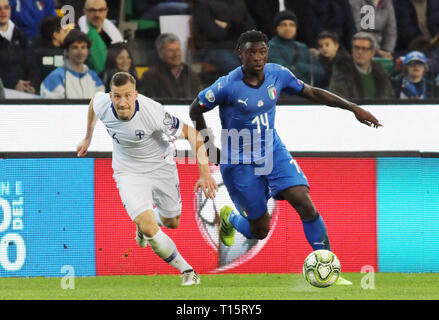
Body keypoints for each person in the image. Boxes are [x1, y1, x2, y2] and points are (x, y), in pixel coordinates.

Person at [189, 30, 382, 285]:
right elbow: (195, 109)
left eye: (262, 52)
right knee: (260, 230)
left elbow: (312, 92)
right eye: (251, 52)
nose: (257, 57)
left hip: (272, 150)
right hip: (239, 164)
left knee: (304, 201)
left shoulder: (277, 74)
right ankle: (228, 217)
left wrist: (352, 108)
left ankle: (328, 268)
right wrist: (209, 145)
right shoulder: (226, 86)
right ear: (240, 54)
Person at [77, 71, 218, 285]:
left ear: (135, 94)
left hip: (160, 167)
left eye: (127, 96)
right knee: (150, 229)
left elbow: (194, 134)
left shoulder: (153, 112)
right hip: (128, 172)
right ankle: (187, 271)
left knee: (172, 222)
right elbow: (93, 104)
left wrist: (205, 173)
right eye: (116, 96)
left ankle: (145, 223)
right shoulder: (102, 102)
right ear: (111, 95)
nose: (122, 102)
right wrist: (88, 136)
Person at [40, 29, 105, 99]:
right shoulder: (56, 76)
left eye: (83, 47)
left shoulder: (93, 77)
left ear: (88, 51)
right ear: (67, 51)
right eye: (75, 47)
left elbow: (100, 103)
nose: (80, 52)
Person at [329, 32, 395, 99]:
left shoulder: (380, 71)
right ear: (352, 50)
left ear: (372, 53)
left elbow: (390, 97)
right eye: (356, 48)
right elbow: (338, 97)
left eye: (364, 49)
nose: (360, 52)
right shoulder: (342, 69)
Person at [267, 10, 325, 86]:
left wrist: (299, 66)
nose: (288, 28)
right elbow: (282, 74)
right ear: (276, 28)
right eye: (284, 24)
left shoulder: (303, 47)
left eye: (292, 25)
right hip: (282, 93)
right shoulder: (269, 47)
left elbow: (320, 73)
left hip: (306, 93)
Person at [140, 33, 202, 99]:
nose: (176, 55)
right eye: (171, 51)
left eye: (178, 50)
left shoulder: (191, 73)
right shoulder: (150, 76)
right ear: (160, 53)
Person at [0, 0, 37, 94]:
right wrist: (13, 84)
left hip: (23, 92)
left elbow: (32, 65)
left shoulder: (21, 36)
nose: (3, 11)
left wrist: (31, 84)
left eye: (6, 7)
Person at [78, 0, 124, 74]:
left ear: (106, 11)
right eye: (93, 10)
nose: (97, 15)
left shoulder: (114, 37)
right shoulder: (77, 35)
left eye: (101, 10)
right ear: (85, 12)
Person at [32, 15, 72, 90]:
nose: (69, 33)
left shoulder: (35, 53)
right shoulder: (66, 54)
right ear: (55, 35)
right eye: (65, 31)